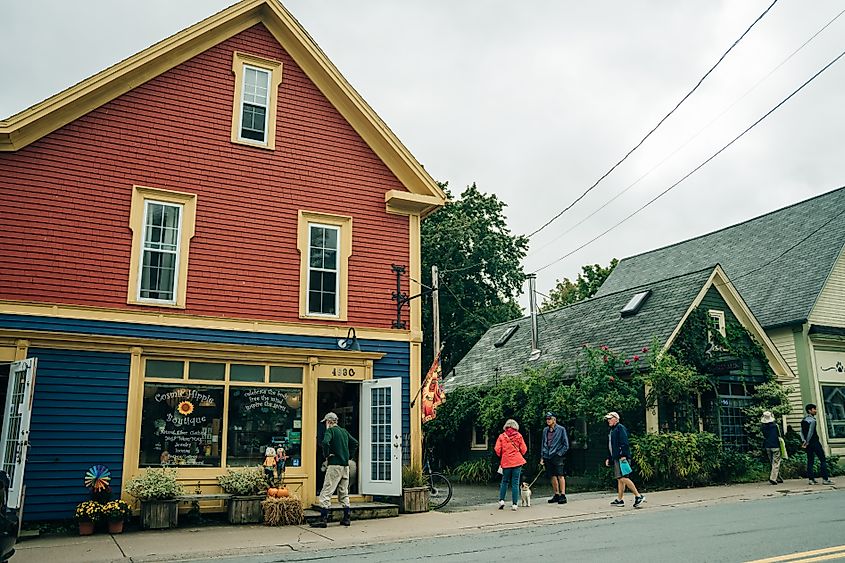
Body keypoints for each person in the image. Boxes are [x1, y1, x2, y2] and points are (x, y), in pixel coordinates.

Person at [311, 412, 359, 528]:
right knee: (343, 491)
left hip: (334, 465)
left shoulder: (330, 431)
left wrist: (327, 455)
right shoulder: (344, 431)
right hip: (345, 466)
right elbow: (355, 443)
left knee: (326, 491)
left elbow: (325, 442)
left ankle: (323, 519)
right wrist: (349, 456)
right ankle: (346, 518)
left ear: (329, 422)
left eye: (326, 422)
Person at [605, 411, 644, 508]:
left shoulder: (620, 428)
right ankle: (620, 499)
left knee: (622, 477)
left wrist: (623, 455)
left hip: (621, 457)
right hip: (617, 457)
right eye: (608, 419)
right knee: (620, 479)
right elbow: (612, 446)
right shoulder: (613, 430)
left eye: (610, 418)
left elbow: (624, 442)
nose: (608, 421)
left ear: (616, 419)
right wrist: (610, 458)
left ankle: (638, 495)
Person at [494, 419, 528, 511]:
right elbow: (524, 449)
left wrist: (503, 454)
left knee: (504, 481)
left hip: (506, 462)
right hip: (517, 461)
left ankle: (501, 501)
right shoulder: (519, 436)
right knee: (515, 483)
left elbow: (497, 449)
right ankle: (514, 504)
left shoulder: (502, 436)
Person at [801, 404, 834, 485]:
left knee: (810, 461)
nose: (815, 411)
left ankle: (811, 480)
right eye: (814, 409)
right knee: (822, 459)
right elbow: (811, 432)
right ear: (810, 410)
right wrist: (807, 441)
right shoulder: (812, 420)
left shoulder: (803, 420)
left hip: (808, 444)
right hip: (814, 442)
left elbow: (801, 432)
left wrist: (804, 441)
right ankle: (825, 479)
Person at [540, 412, 569, 504]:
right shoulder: (545, 430)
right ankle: (556, 494)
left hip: (557, 455)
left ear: (554, 420)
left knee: (560, 475)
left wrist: (560, 453)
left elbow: (566, 444)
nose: (548, 421)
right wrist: (542, 457)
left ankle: (563, 495)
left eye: (550, 419)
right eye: (547, 419)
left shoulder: (561, 429)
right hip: (547, 455)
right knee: (552, 475)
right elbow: (543, 443)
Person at [760, 411, 783, 485]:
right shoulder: (775, 426)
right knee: (776, 462)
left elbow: (764, 436)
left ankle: (778, 477)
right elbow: (779, 434)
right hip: (775, 445)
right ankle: (773, 478)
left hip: (767, 445)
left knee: (772, 462)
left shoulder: (763, 427)